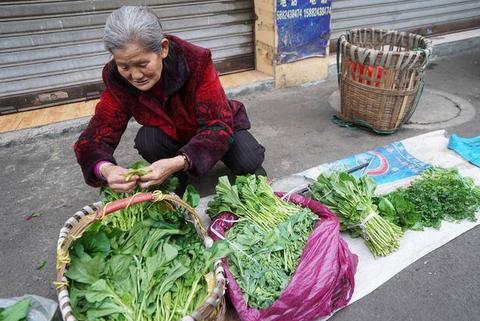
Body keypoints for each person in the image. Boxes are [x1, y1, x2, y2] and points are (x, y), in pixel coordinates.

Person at [74, 6, 266, 194]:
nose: (135, 75)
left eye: (143, 64)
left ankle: (180, 166)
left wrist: (176, 162)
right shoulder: (116, 78)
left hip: (216, 128)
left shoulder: (195, 61)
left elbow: (218, 127)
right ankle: (177, 182)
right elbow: (95, 135)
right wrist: (105, 169)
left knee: (249, 161)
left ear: (163, 48)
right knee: (148, 140)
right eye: (124, 66)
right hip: (173, 134)